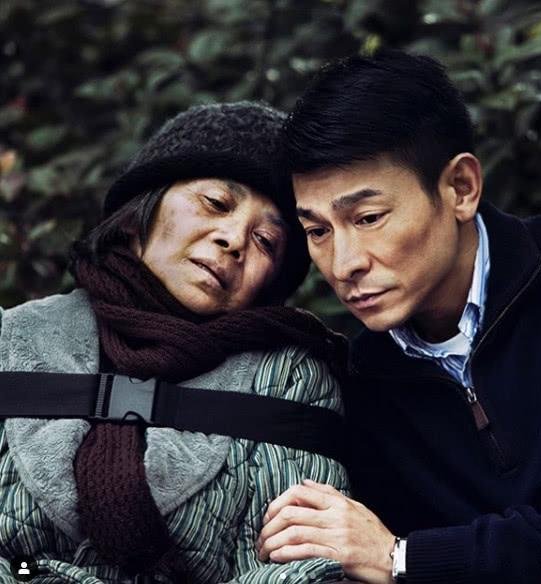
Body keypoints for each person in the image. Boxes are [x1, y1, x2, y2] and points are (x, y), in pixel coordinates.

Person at [255, 49, 541, 583]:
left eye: (368, 218)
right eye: (318, 231)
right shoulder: (361, 386)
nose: (343, 264)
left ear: (461, 188)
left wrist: (403, 558)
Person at [0, 102, 351, 583]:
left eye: (266, 240)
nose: (234, 239)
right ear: (138, 212)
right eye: (216, 204)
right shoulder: (14, 337)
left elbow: (301, 568)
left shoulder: (289, 377)